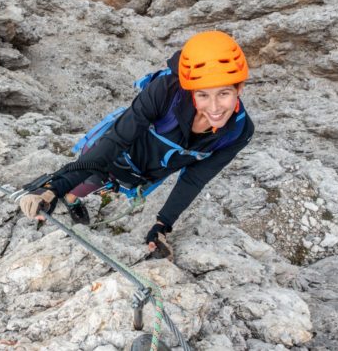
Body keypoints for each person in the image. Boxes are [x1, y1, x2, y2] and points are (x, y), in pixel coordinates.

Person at [19, 31, 254, 260]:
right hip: (111, 155)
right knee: (84, 184)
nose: (214, 108)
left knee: (103, 188)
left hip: (139, 177)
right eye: (203, 95)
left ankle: (73, 197)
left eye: (224, 93)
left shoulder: (238, 132)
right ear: (191, 90)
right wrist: (53, 188)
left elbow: (194, 179)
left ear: (239, 88)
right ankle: (67, 195)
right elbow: (117, 140)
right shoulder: (166, 92)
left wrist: (162, 226)